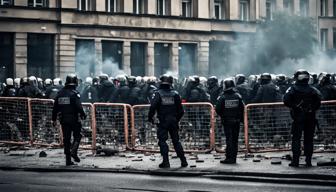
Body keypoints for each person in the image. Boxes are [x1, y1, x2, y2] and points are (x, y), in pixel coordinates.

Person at [148, 74, 188, 168]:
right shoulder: (175, 94)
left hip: (163, 121)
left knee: (162, 141)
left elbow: (152, 107)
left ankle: (166, 162)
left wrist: (150, 118)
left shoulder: (158, 93)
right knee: (176, 141)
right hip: (173, 120)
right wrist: (176, 119)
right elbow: (181, 111)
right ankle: (184, 161)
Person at [283, 69, 321, 167]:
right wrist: (311, 109)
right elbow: (319, 101)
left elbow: (286, 100)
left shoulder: (292, 89)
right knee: (309, 139)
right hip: (310, 118)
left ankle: (295, 161)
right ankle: (308, 161)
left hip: (298, 118)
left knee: (296, 139)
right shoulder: (313, 89)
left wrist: (295, 106)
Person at [52, 74, 86, 166]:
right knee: (77, 136)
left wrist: (54, 119)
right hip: (74, 119)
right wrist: (83, 114)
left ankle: (68, 160)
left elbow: (55, 108)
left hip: (63, 119)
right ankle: (73, 151)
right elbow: (78, 106)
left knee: (66, 139)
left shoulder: (60, 93)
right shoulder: (75, 93)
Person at [215, 78, 245, 164]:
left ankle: (229, 158)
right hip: (236, 121)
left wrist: (223, 115)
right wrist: (239, 118)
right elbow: (242, 108)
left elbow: (217, 109)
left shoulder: (223, 97)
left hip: (227, 121)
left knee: (229, 139)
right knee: (235, 140)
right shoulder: (238, 96)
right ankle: (234, 158)